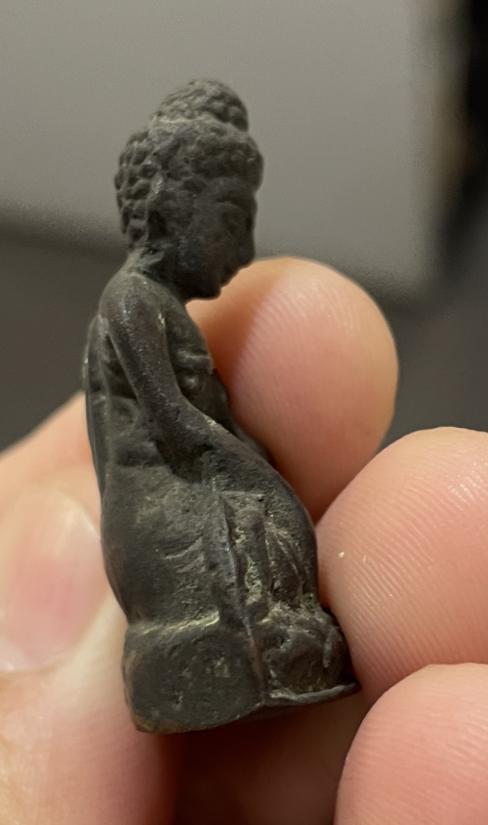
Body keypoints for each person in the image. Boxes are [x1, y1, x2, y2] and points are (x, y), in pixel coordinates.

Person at [0, 256, 487, 823]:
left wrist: (250, 454)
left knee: (275, 505)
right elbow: (175, 420)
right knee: (263, 506)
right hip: (160, 488)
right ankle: (251, 636)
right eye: (222, 223)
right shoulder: (134, 303)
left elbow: (206, 415)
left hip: (190, 467)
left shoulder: (163, 304)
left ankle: (276, 634)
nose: (231, 248)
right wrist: (248, 464)